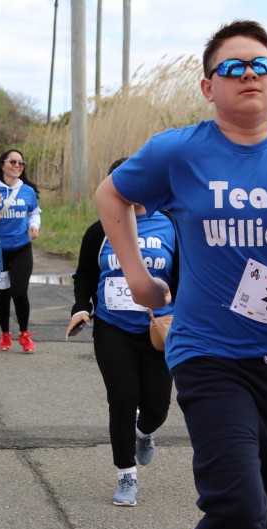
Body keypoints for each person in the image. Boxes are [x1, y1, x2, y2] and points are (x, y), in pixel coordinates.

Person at [94, 19, 267, 529]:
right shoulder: (179, 152)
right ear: (207, 86)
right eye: (232, 67)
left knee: (261, 500)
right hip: (207, 352)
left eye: (260, 65)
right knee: (236, 504)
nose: (248, 75)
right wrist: (139, 278)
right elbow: (110, 195)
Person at [67, 158, 176, 508]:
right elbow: (85, 275)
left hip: (158, 330)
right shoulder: (100, 230)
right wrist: (81, 307)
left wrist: (177, 301)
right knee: (123, 398)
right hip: (112, 328)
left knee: (157, 407)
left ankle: (144, 432)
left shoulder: (170, 225)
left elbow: (187, 275)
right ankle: (126, 474)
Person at [0, 149, 42, 353]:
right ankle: (5, 334)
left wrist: (34, 225)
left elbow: (34, 212)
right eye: (13, 161)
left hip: (21, 248)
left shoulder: (27, 191)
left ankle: (24, 334)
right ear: (3, 164)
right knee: (2, 295)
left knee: (19, 292)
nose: (18, 165)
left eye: (21, 163)